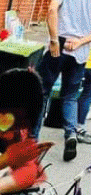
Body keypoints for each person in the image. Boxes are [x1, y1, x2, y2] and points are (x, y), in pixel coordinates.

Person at [34, 0, 91, 161]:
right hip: (79, 51)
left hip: (59, 44)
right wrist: (80, 42)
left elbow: (52, 10)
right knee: (70, 96)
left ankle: (33, 139)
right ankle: (71, 134)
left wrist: (54, 40)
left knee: (42, 93)